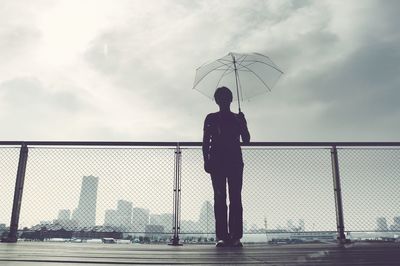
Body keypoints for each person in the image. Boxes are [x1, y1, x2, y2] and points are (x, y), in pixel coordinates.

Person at [202, 86, 250, 247]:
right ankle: (233, 237)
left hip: (221, 162)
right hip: (230, 162)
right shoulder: (231, 118)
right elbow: (246, 140)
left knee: (223, 198)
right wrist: (206, 161)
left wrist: (243, 122)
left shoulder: (213, 118)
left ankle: (225, 236)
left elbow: (206, 142)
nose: (223, 101)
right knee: (231, 198)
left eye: (224, 98)